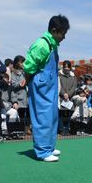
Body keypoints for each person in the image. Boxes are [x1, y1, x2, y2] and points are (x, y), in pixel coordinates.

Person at [24, 14, 70, 162]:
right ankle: (42, 151)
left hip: (50, 87)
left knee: (52, 115)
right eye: (63, 33)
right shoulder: (42, 44)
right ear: (54, 30)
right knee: (42, 116)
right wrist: (29, 82)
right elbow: (29, 67)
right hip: (41, 85)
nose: (64, 37)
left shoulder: (53, 45)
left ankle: (49, 146)